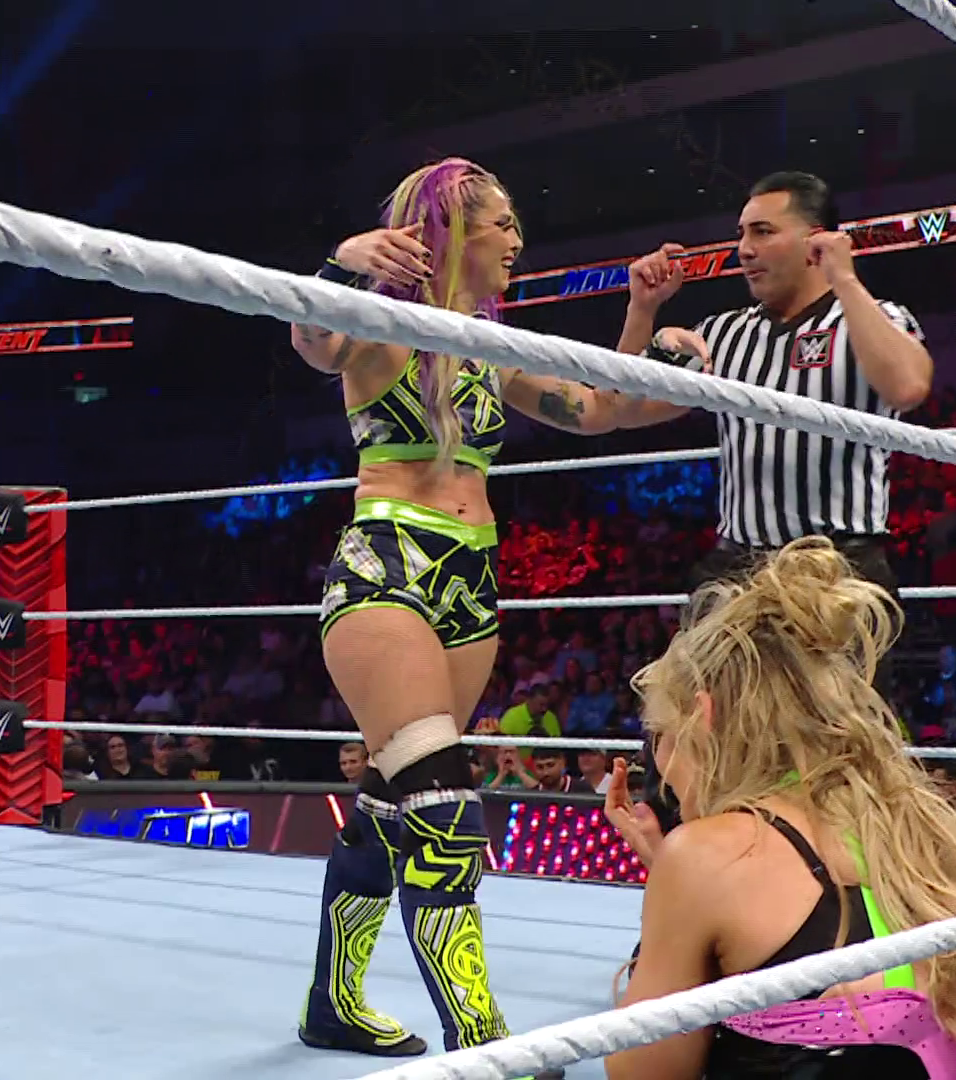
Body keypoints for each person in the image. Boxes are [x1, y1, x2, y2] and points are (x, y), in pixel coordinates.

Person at [288, 156, 677, 1066]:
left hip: (470, 581)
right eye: (500, 223)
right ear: (450, 232)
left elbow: (600, 410)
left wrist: (642, 315)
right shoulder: (382, 325)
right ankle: (484, 1044)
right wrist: (344, 260)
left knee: (394, 799)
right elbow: (314, 341)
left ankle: (332, 1004)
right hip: (387, 568)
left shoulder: (491, 348)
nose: (516, 240)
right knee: (445, 811)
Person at [599, 538, 956, 1079]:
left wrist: (674, 895)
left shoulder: (704, 858)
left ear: (702, 718)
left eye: (659, 735)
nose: (661, 767)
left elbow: (642, 1072)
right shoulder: (934, 834)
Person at [613, 171, 934, 831]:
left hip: (838, 570)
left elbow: (907, 385)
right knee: (683, 733)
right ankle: (685, 873)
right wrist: (643, 311)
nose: (744, 249)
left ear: (815, 241)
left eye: (762, 232)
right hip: (738, 567)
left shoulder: (871, 319)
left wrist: (845, 280)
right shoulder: (725, 335)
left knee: (840, 753)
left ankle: (839, 885)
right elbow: (618, 406)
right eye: (741, 233)